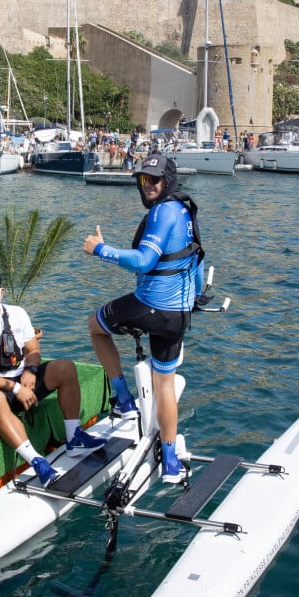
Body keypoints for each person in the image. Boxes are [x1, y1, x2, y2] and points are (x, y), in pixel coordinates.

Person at [83, 154, 205, 484]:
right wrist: (196, 295)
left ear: (169, 180)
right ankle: (169, 461)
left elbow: (143, 261)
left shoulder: (163, 211)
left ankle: (123, 400)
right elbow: (196, 255)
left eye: (154, 179)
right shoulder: (184, 209)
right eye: (143, 179)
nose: (148, 185)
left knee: (95, 326)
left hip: (152, 307)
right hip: (179, 315)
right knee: (163, 383)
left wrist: (100, 250)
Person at [0, 270, 106, 488]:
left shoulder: (17, 314)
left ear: (2, 292)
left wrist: (31, 370)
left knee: (65, 367)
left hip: (21, 378)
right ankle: (37, 462)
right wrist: (16, 389)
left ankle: (74, 438)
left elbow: (32, 348)